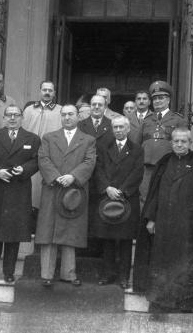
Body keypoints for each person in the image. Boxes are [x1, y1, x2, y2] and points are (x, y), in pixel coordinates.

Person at [134, 127, 193, 312]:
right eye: (176, 141)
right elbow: (154, 194)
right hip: (164, 223)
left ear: (190, 143)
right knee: (162, 263)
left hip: (188, 225)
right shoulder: (164, 162)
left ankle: (186, 305)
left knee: (185, 264)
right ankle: (161, 302)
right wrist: (151, 219)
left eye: (184, 141)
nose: (179, 144)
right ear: (171, 142)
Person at [35, 104, 96, 287]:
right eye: (64, 115)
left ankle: (68, 274)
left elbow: (89, 161)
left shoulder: (88, 140)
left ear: (78, 116)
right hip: (53, 189)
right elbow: (43, 159)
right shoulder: (48, 137)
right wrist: (55, 177)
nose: (67, 117)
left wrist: (73, 177)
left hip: (73, 191)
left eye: (71, 114)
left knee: (70, 232)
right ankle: (46, 274)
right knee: (48, 233)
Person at [0, 105, 40, 283]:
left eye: (16, 115)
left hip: (19, 190)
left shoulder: (32, 138)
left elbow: (36, 161)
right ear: (4, 118)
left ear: (22, 118)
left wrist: (24, 169)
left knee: (13, 233)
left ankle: (9, 271)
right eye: (9, 115)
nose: (12, 118)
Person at [93, 115, 143, 289]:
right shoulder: (103, 147)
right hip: (107, 198)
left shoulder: (137, 149)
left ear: (128, 129)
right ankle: (108, 274)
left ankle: (123, 276)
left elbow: (137, 173)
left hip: (127, 199)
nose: (118, 130)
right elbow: (98, 170)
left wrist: (122, 191)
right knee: (107, 240)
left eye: (122, 127)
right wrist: (107, 188)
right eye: (115, 127)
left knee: (125, 240)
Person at [139, 81, 187, 209]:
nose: (157, 101)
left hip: (168, 166)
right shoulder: (146, 120)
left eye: (161, 98)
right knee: (145, 198)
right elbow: (139, 144)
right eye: (155, 98)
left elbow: (184, 145)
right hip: (147, 167)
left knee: (165, 198)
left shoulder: (178, 120)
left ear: (168, 100)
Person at [77, 95, 115, 256]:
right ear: (90, 106)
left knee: (100, 214)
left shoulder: (112, 125)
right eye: (94, 104)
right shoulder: (81, 125)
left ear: (105, 105)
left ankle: (98, 251)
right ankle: (82, 250)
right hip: (85, 175)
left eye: (100, 104)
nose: (97, 107)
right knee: (82, 212)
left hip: (104, 176)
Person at [22, 81, 62, 211]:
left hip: (49, 155)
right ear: (40, 91)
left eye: (50, 90)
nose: (47, 92)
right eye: (44, 90)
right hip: (29, 154)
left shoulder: (60, 111)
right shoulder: (29, 110)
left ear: (54, 93)